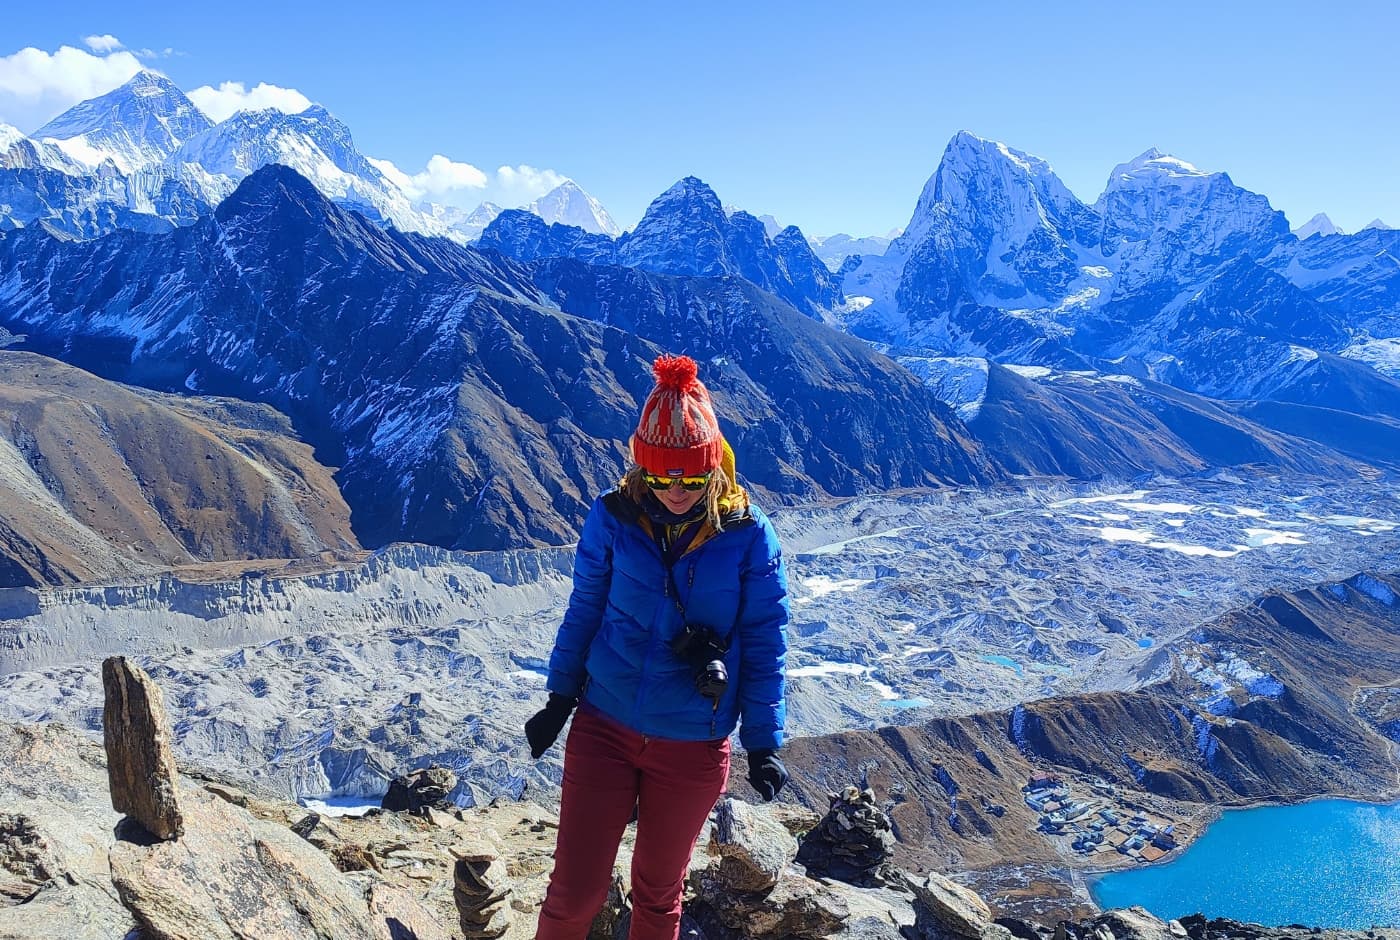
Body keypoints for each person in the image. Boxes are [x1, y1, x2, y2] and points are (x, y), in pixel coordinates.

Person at [527, 353, 790, 940]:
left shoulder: (748, 535)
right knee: (574, 894)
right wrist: (560, 696)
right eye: (662, 475)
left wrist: (763, 741)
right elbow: (586, 610)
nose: (676, 489)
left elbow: (765, 638)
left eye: (693, 477)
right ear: (642, 467)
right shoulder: (613, 517)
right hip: (605, 725)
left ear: (715, 468)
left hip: (692, 745)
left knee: (658, 896)